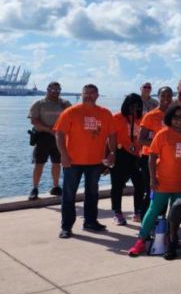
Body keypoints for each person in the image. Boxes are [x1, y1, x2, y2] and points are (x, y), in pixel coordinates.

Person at [128, 104, 181, 256]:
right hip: (163, 182)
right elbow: (152, 157)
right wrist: (152, 179)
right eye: (175, 117)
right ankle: (140, 241)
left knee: (175, 214)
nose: (179, 120)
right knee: (153, 211)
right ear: (169, 118)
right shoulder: (162, 134)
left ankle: (171, 238)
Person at [53, 84, 116, 238]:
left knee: (92, 194)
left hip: (95, 162)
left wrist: (112, 152)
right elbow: (59, 134)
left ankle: (90, 222)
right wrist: (63, 155)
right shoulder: (71, 112)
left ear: (97, 95)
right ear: (81, 95)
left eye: (92, 93)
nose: (88, 96)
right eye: (85, 93)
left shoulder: (105, 113)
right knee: (69, 195)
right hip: (72, 161)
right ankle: (66, 227)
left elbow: (112, 135)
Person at [27, 81, 70, 200]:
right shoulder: (39, 103)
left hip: (59, 137)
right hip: (43, 137)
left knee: (57, 163)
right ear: (48, 89)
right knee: (39, 163)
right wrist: (49, 129)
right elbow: (34, 121)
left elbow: (73, 118)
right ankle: (35, 188)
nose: (55, 92)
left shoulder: (65, 103)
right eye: (53, 89)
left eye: (58, 90)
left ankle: (56, 187)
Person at [110, 94, 145, 225]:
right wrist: (111, 153)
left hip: (137, 155)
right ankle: (117, 212)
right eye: (132, 105)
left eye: (137, 105)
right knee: (117, 185)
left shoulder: (142, 118)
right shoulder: (117, 117)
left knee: (140, 184)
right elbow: (111, 137)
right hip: (120, 153)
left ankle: (138, 211)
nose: (134, 108)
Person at [139, 86, 174, 217]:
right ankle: (145, 220)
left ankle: (161, 220)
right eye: (163, 95)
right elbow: (141, 139)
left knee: (163, 191)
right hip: (149, 158)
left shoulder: (175, 116)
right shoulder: (150, 116)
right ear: (158, 97)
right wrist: (159, 146)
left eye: (169, 95)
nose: (166, 98)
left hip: (167, 160)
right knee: (151, 190)